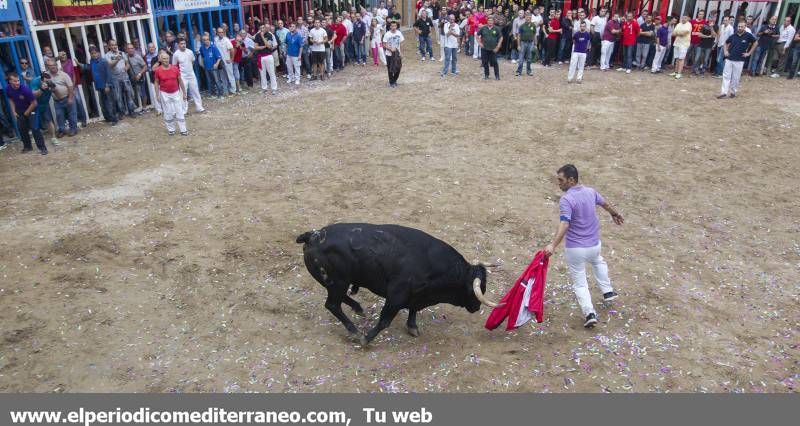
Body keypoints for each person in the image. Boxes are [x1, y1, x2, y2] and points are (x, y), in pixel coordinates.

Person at [543, 164, 623, 328]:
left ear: (571, 180)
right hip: (594, 245)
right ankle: (607, 291)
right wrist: (615, 214)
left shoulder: (566, 199)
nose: (558, 183)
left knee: (580, 282)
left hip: (575, 249)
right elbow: (605, 204)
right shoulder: (591, 192)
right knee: (598, 262)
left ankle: (589, 313)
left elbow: (565, 224)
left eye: (561, 180)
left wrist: (552, 245)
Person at [4, 73, 48, 155]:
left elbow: (34, 103)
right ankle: (27, 147)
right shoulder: (8, 89)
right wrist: (13, 111)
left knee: (35, 128)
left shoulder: (25, 89)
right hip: (20, 111)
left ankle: (43, 148)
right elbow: (11, 100)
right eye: (15, 81)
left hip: (32, 110)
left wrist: (25, 114)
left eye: (18, 80)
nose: (17, 83)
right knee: (22, 129)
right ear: (10, 82)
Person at [718, 21, 757, 99]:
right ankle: (724, 92)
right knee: (726, 76)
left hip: (740, 60)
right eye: (738, 26)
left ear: (745, 27)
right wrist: (725, 51)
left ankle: (733, 92)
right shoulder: (733, 36)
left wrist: (749, 53)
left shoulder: (748, 36)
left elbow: (755, 43)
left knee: (736, 77)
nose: (739, 28)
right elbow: (726, 43)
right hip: (729, 59)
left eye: (741, 26)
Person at [153, 51, 188, 136]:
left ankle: (183, 130)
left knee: (179, 110)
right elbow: (156, 83)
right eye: (164, 59)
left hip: (176, 92)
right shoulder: (158, 70)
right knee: (167, 111)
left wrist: (184, 93)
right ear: (161, 60)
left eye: (167, 58)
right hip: (164, 93)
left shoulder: (175, 68)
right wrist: (157, 95)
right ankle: (171, 129)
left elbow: (180, 81)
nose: (166, 60)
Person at [43, 57, 79, 138]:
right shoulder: (47, 76)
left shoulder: (63, 75)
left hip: (67, 97)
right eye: (50, 66)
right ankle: (62, 130)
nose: (52, 67)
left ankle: (73, 129)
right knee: (59, 116)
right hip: (57, 100)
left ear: (56, 65)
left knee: (72, 115)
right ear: (47, 67)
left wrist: (70, 98)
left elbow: (70, 86)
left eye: (53, 65)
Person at [105, 39, 137, 117]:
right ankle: (122, 112)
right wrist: (117, 59)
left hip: (125, 77)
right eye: (112, 45)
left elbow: (127, 64)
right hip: (115, 79)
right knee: (118, 97)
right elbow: (110, 65)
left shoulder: (122, 53)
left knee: (129, 94)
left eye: (115, 44)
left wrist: (126, 68)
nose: (114, 46)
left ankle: (131, 111)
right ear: (109, 46)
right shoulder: (107, 55)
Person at [171, 39, 204, 113]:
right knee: (183, 92)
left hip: (191, 74)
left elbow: (192, 61)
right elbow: (174, 66)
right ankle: (184, 110)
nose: (183, 45)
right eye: (181, 44)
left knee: (195, 91)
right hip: (182, 76)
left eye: (184, 43)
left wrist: (189, 70)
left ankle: (199, 107)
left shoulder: (190, 52)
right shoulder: (176, 54)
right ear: (178, 45)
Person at [87, 46, 117, 125]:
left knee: (109, 102)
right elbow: (88, 68)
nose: (94, 55)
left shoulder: (103, 61)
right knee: (102, 103)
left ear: (98, 53)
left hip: (106, 85)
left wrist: (107, 85)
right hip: (99, 86)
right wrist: (79, 64)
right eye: (92, 53)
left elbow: (108, 73)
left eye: (95, 53)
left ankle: (114, 118)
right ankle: (108, 118)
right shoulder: (92, 61)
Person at [30, 72, 59, 146]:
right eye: (46, 81)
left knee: (49, 120)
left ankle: (53, 137)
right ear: (41, 80)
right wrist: (42, 89)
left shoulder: (50, 81)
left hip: (45, 104)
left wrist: (53, 87)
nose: (47, 82)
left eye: (48, 81)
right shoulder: (35, 82)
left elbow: (56, 91)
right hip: (35, 105)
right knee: (35, 123)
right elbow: (34, 95)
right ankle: (36, 137)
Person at [254, 25, 279, 94]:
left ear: (265, 28)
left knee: (271, 73)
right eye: (261, 28)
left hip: (268, 56)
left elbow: (269, 46)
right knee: (262, 74)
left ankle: (274, 88)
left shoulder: (269, 35)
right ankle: (264, 88)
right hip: (260, 57)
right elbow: (255, 47)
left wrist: (262, 37)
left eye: (263, 28)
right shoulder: (257, 35)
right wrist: (263, 47)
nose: (262, 29)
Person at [125, 43, 148, 110]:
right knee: (132, 94)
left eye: (132, 48)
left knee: (142, 93)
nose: (130, 50)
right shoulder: (125, 57)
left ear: (134, 49)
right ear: (126, 50)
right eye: (129, 48)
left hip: (139, 77)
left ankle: (144, 108)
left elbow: (145, 66)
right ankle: (134, 108)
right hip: (130, 79)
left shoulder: (138, 57)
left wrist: (140, 74)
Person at [383, 21, 404, 87]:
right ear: (390, 27)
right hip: (389, 54)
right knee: (390, 69)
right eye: (392, 26)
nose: (393, 27)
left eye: (395, 26)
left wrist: (401, 52)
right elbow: (384, 44)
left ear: (396, 26)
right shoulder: (387, 34)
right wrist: (390, 48)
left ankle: (394, 80)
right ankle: (391, 82)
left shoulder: (399, 33)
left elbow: (402, 42)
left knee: (398, 68)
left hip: (397, 54)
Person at [215, 27, 236, 95]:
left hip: (227, 60)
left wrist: (231, 59)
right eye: (219, 32)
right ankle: (225, 90)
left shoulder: (226, 40)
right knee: (222, 77)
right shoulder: (215, 40)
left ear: (223, 33)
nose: (221, 33)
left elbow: (232, 49)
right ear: (217, 33)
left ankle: (233, 90)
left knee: (230, 75)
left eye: (222, 32)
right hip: (220, 61)